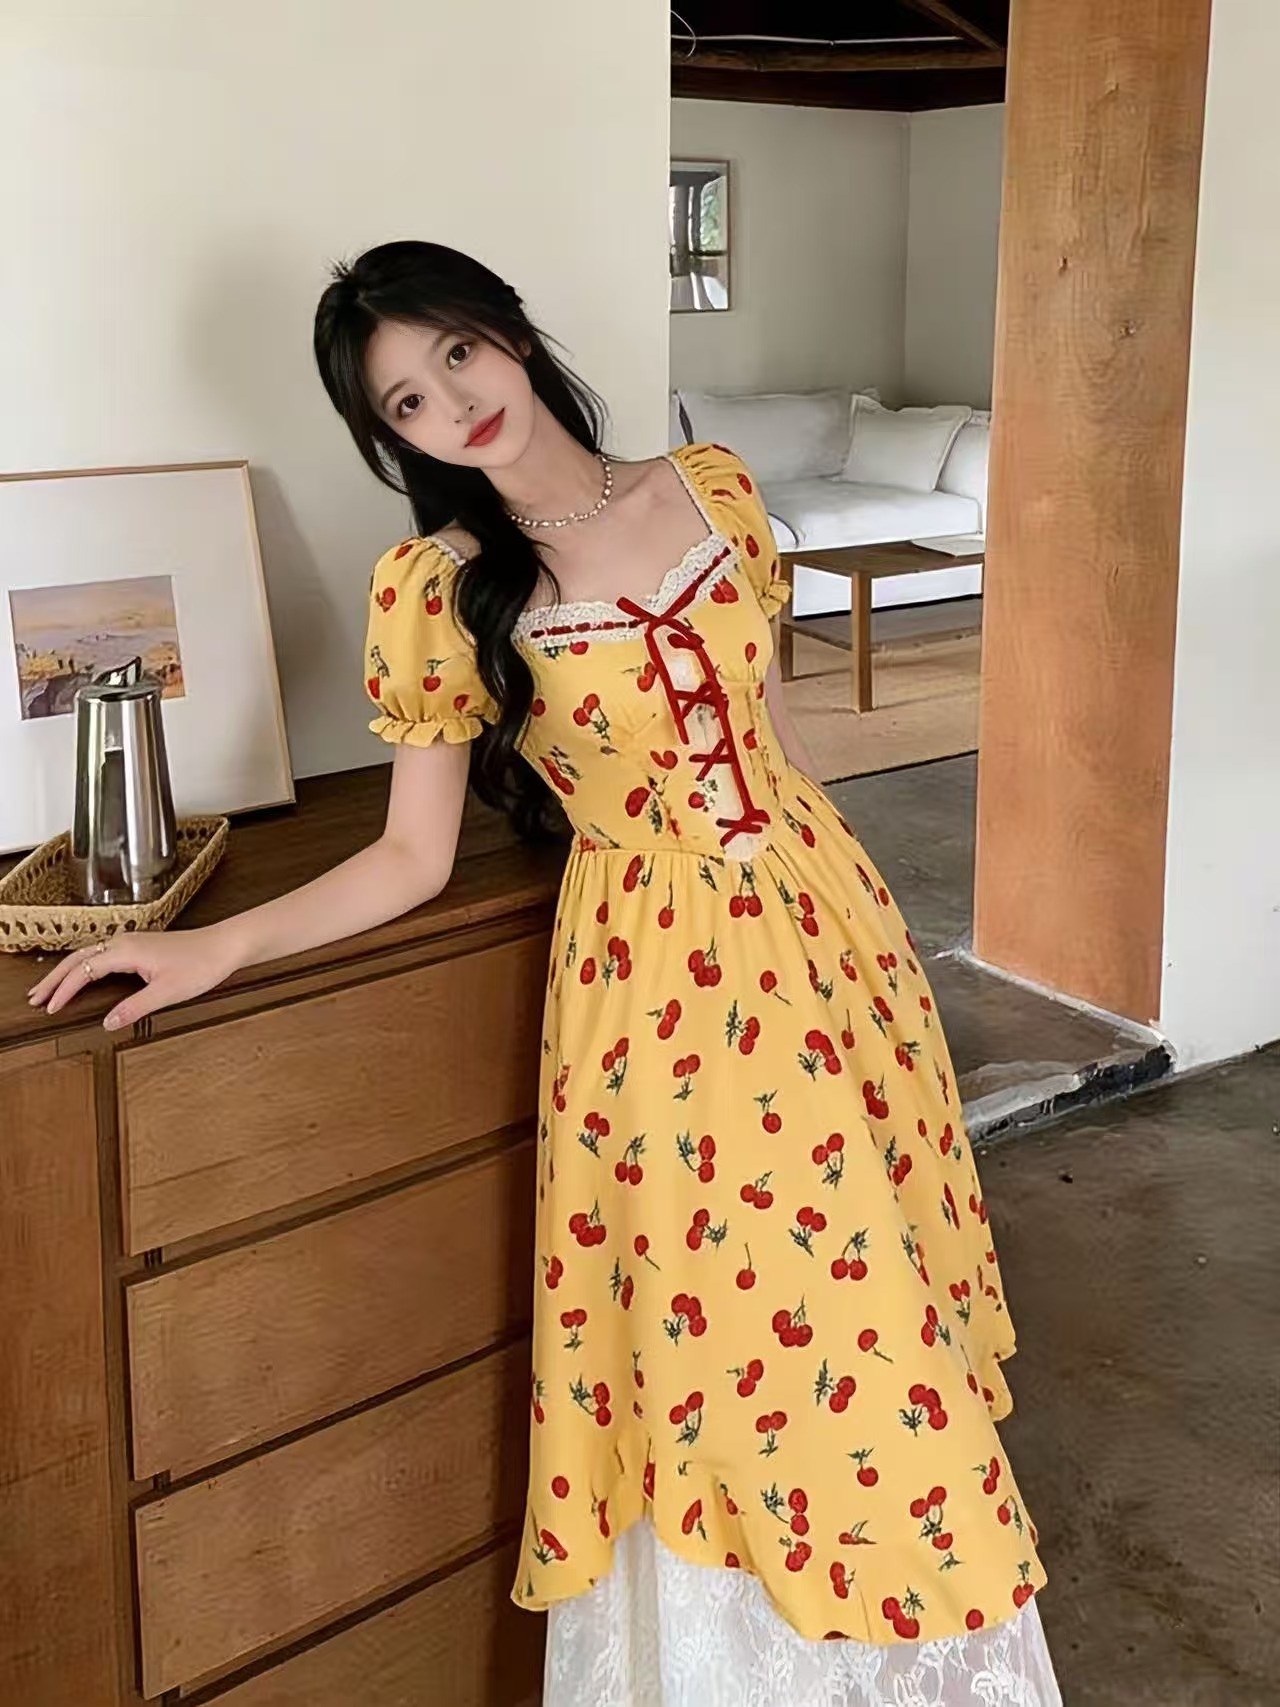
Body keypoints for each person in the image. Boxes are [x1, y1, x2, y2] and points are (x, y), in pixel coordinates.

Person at [28, 241, 1062, 1707]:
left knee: (883, 1282)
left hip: (833, 929)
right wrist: (213, 946)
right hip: (664, 991)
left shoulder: (713, 489)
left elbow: (777, 731)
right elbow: (411, 858)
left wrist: (856, 916)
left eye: (456, 352)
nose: (453, 403)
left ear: (506, 330)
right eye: (407, 400)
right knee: (761, 1335)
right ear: (392, 439)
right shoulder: (443, 591)